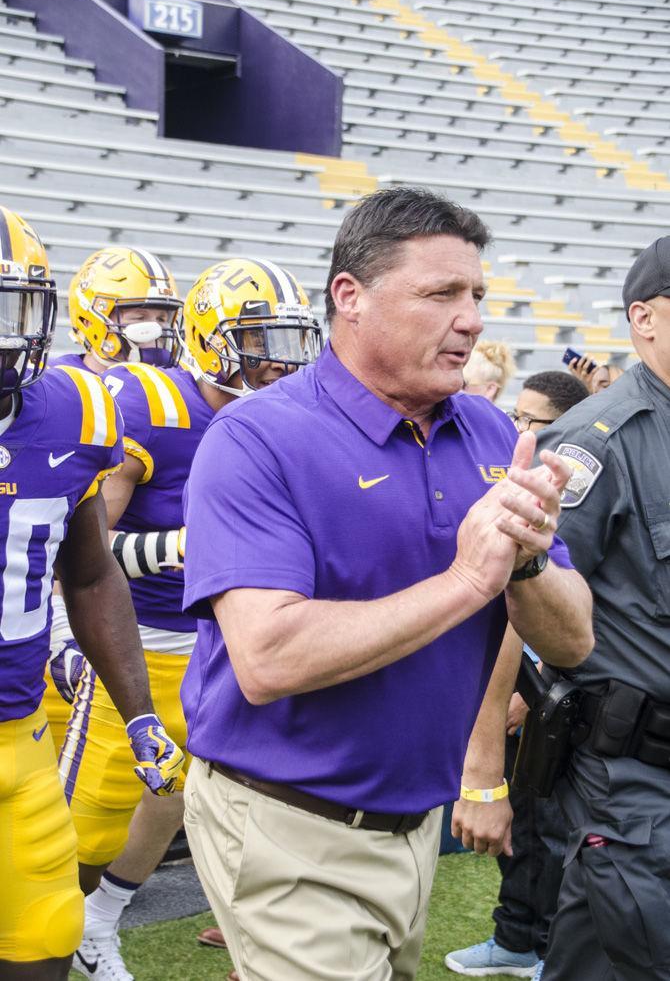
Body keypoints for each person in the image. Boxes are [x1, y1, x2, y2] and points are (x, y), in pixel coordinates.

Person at [180, 187, 594, 981]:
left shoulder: (491, 430)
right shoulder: (258, 437)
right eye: (441, 294)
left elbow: (573, 639)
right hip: (289, 819)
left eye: (475, 294)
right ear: (350, 298)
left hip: (412, 824)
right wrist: (470, 578)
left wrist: (532, 560)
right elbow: (268, 657)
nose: (470, 318)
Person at [56, 257, 321, 981]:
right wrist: (179, 545)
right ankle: (52, 929)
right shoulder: (152, 409)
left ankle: (101, 921)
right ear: (211, 339)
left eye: (291, 341)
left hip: (232, 637)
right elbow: (80, 551)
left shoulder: (289, 418)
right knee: (89, 817)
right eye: (261, 339)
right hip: (138, 638)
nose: (280, 361)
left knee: (188, 792)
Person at [0, 207, 183, 981]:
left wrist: (136, 707)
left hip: (14, 736)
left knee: (46, 928)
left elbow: (90, 570)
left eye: (11, 305)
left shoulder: (79, 410)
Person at [532, 237, 670, 981]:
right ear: (643, 318)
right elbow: (523, 596)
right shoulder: (594, 440)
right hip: (635, 774)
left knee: (592, 958)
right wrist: (484, 767)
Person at [445, 369, 589, 978]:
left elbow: (564, 604)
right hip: (517, 676)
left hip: (552, 680)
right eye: (519, 416)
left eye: (537, 421)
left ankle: (546, 943)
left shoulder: (573, 481)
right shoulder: (515, 475)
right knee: (523, 822)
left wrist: (534, 684)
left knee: (550, 824)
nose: (522, 430)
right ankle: (515, 935)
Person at [46, 246, 183, 757]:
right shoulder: (56, 391)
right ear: (94, 314)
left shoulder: (177, 392)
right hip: (53, 615)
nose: (153, 329)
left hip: (149, 621)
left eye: (161, 316)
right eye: (138, 316)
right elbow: (70, 544)